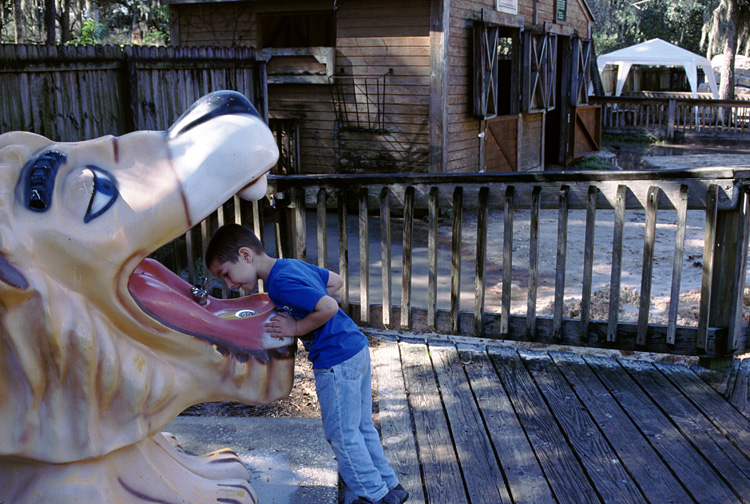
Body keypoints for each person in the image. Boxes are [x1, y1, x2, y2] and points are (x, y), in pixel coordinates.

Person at [205, 223, 409, 504]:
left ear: (245, 255)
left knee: (342, 435)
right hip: (354, 348)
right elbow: (335, 281)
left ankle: (373, 496)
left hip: (335, 358)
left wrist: (297, 327)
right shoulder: (288, 266)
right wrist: (306, 301)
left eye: (225, 274)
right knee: (361, 427)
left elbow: (328, 307)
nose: (228, 284)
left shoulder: (279, 282)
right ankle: (390, 486)